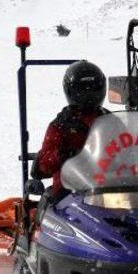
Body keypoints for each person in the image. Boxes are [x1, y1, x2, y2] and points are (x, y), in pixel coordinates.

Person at [32, 60, 109, 201]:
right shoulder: (61, 125)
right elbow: (43, 164)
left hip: (108, 188)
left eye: (93, 89)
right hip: (69, 192)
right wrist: (63, 155)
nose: (89, 95)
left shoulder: (110, 121)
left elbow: (129, 146)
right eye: (84, 90)